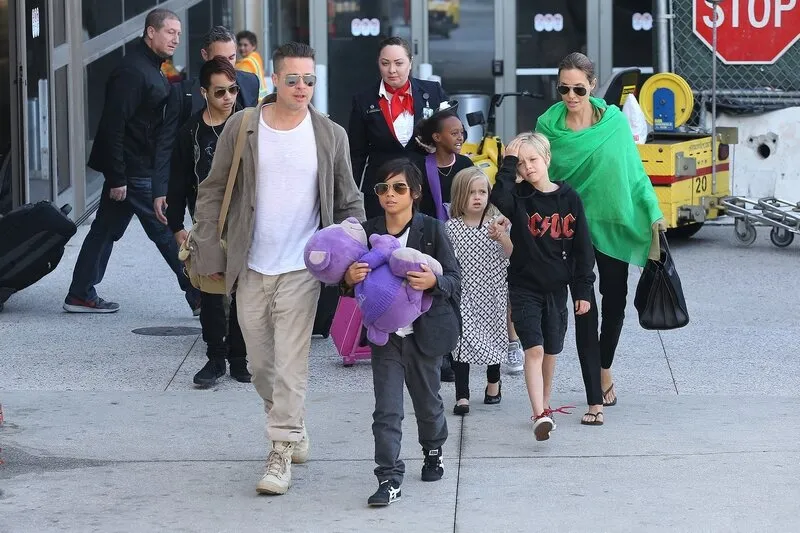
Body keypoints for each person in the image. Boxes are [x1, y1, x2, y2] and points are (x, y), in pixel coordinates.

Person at [191, 42, 364, 496]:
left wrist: (357, 245)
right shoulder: (243, 126)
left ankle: (280, 449)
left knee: (291, 363)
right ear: (273, 79)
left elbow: (349, 202)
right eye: (293, 79)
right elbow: (211, 189)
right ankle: (293, 421)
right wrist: (206, 241)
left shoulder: (330, 135)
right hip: (249, 264)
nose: (302, 87)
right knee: (260, 365)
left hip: (303, 268)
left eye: (309, 80)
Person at [535, 52, 665, 410]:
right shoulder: (547, 128)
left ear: (593, 86)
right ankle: (596, 387)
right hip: (568, 230)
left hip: (612, 225)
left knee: (615, 302)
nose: (571, 96)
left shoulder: (614, 124)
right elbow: (536, 179)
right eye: (564, 88)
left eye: (579, 88)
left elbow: (634, 174)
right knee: (583, 308)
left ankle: (604, 366)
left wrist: (653, 213)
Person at [63, 8, 201, 315]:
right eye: (169, 32)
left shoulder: (151, 67)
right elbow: (113, 126)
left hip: (135, 167)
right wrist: (117, 177)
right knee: (167, 229)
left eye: (178, 34)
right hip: (134, 170)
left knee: (104, 230)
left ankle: (80, 293)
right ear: (151, 32)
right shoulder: (132, 71)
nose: (175, 39)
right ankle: (198, 295)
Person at [343, 158, 460, 507]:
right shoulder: (368, 231)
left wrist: (434, 281)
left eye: (399, 188)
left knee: (428, 403)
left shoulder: (432, 229)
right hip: (385, 337)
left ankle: (434, 449)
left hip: (425, 334)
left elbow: (454, 280)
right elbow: (346, 278)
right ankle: (389, 476)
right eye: (382, 189)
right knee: (387, 409)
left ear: (415, 193)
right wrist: (348, 280)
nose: (390, 195)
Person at [490, 132, 597, 438]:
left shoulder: (569, 198)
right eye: (522, 164)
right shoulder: (520, 198)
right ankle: (539, 413)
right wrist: (508, 164)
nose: (528, 168)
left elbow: (582, 249)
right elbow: (500, 197)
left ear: (547, 158)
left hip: (557, 289)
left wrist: (583, 289)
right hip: (524, 287)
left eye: (533, 160)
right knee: (533, 349)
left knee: (551, 350)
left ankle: (545, 405)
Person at [166, 57, 250, 387]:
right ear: (204, 93)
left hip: (245, 216)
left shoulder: (249, 124)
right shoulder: (191, 131)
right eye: (220, 92)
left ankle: (240, 359)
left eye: (232, 89)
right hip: (208, 219)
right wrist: (177, 227)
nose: (228, 97)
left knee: (243, 290)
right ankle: (215, 359)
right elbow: (179, 180)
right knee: (213, 292)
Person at [348, 36, 448, 220]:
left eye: (399, 63)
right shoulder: (364, 100)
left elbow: (457, 133)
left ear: (410, 63)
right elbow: (356, 154)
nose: (392, 70)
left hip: (425, 185)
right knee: (382, 243)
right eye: (385, 63)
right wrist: (349, 197)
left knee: (426, 242)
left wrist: (437, 144)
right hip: (382, 188)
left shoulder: (432, 92)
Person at [445, 167, 511, 415]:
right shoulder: (451, 228)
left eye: (482, 191)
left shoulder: (497, 223)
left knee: (493, 337)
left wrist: (502, 238)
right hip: (464, 293)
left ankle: (493, 383)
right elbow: (447, 260)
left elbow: (510, 254)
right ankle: (462, 395)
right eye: (472, 192)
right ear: (460, 195)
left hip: (493, 291)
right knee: (461, 342)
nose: (477, 197)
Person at [169, 26, 260, 129]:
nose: (226, 64)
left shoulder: (251, 82)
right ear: (205, 55)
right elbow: (167, 141)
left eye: (231, 57)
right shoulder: (182, 92)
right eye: (220, 59)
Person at [409, 103, 474, 220]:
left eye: (462, 132)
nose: (460, 137)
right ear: (437, 137)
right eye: (454, 133)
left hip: (462, 229)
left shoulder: (465, 164)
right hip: (428, 230)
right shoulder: (419, 166)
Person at [236, 30, 269, 100]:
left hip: (253, 102)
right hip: (262, 100)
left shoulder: (246, 63)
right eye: (240, 45)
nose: (242, 48)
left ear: (253, 46)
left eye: (245, 45)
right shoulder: (256, 57)